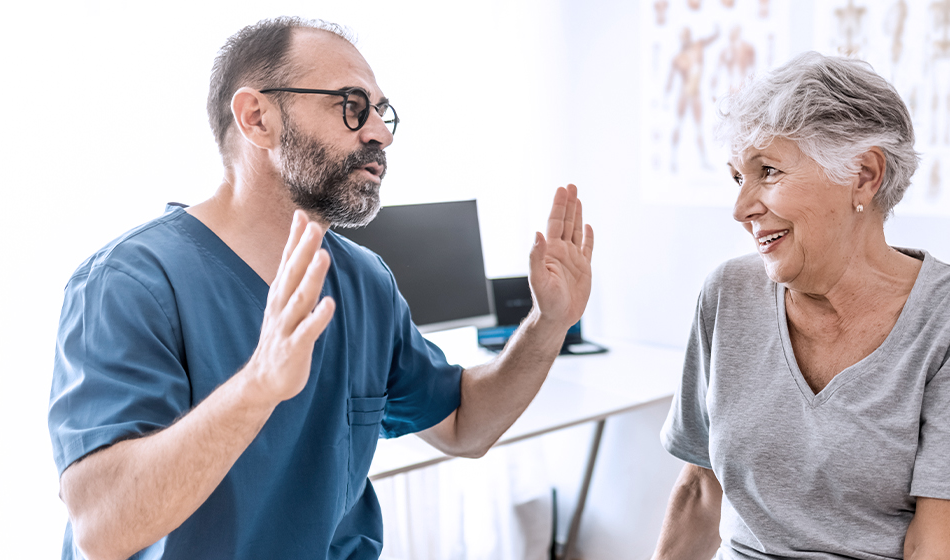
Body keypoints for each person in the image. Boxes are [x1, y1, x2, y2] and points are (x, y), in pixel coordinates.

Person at [47, 18, 594, 560]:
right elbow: (104, 530)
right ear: (258, 118)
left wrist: (548, 326)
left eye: (382, 112)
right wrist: (257, 387)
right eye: (351, 105)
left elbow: (462, 429)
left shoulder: (364, 281)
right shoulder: (131, 283)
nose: (381, 132)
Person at [653, 52, 950, 560]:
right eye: (738, 178)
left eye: (769, 171)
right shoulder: (727, 294)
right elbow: (700, 488)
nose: (741, 209)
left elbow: (943, 550)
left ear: (864, 175)